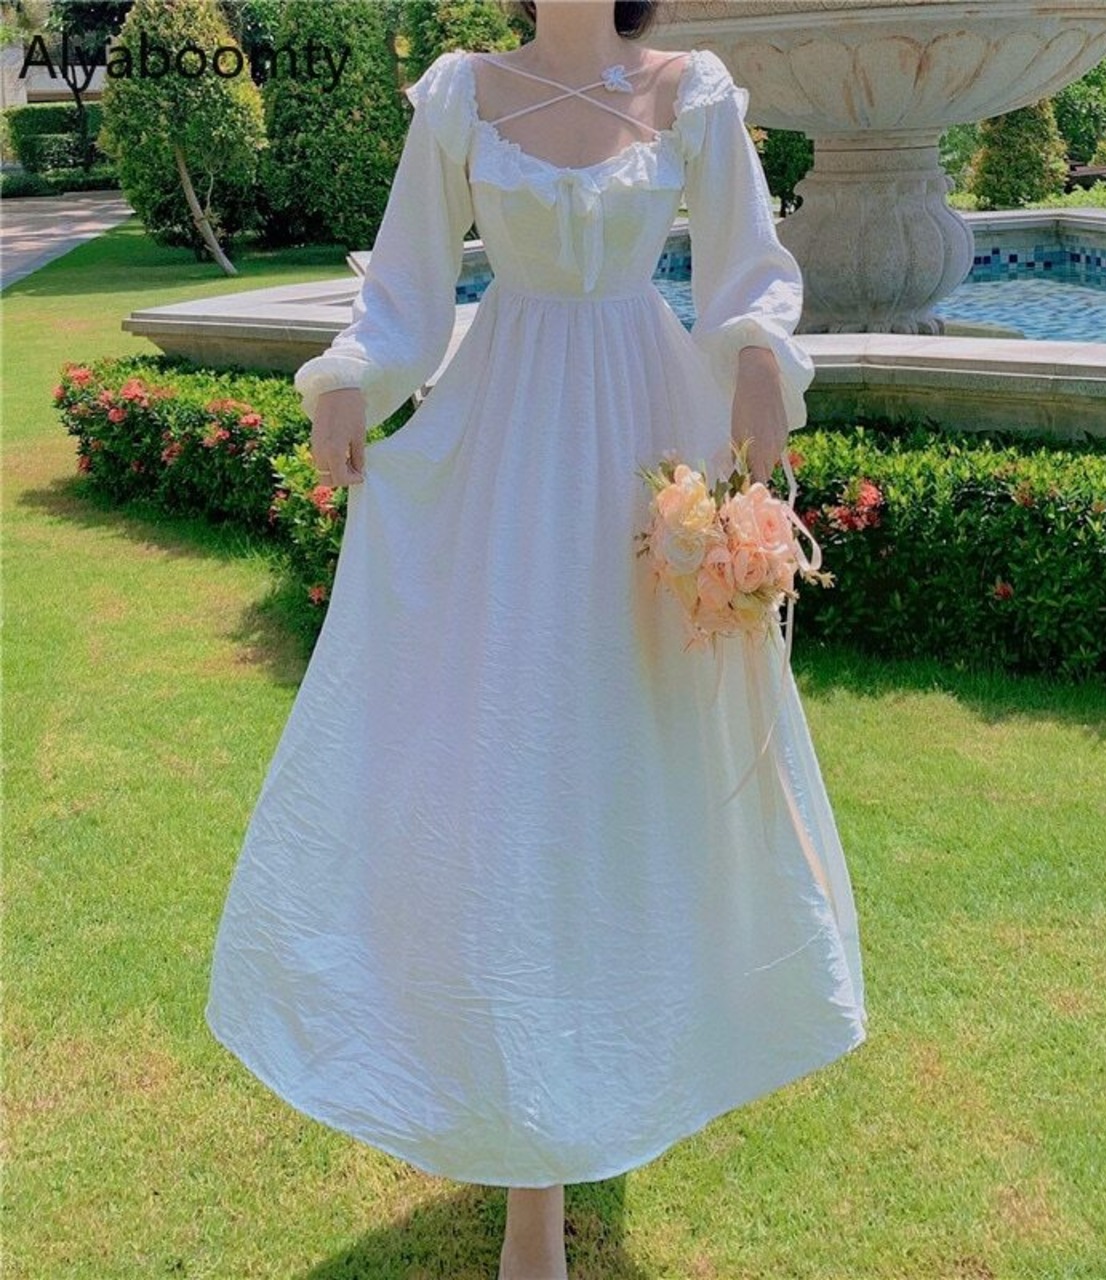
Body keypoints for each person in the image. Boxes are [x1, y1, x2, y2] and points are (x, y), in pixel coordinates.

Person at [203, 2, 868, 1277]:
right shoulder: (464, 92)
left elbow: (745, 270)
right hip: (502, 455)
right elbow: (407, 289)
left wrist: (753, 368)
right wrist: (350, 379)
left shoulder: (692, 88)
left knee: (626, 776)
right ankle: (530, 1190)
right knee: (510, 775)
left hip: (642, 449)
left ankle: (609, 1074)